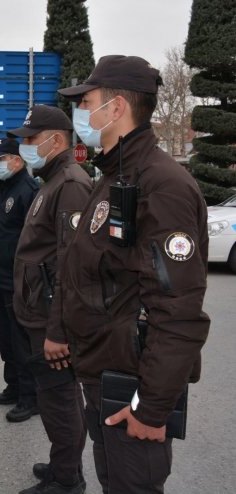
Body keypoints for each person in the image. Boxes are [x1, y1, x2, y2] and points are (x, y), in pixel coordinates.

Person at [57, 55, 210, 493]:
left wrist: (151, 408)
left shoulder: (162, 184)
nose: (80, 113)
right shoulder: (114, 175)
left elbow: (178, 311)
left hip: (132, 386)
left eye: (85, 102)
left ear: (117, 107)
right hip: (103, 372)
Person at [8, 105, 92, 494]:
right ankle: (64, 463)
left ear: (55, 139)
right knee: (56, 397)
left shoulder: (70, 184)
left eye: (29, 139)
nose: (24, 145)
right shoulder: (53, 180)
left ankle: (67, 478)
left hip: (50, 320)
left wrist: (58, 330)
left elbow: (70, 266)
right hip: (39, 313)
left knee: (60, 400)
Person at [0, 138, 40, 423]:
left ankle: (31, 397)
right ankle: (14, 386)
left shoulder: (27, 191)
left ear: (17, 161)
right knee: (6, 340)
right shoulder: (1, 191)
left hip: (17, 282)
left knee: (21, 342)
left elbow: (34, 241)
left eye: (1, 159)